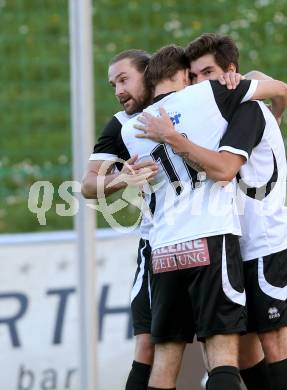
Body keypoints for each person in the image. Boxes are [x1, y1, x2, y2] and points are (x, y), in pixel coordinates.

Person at [135, 33, 287, 390]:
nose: (199, 83)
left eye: (208, 73)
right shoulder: (211, 114)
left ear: (231, 73)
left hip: (267, 245)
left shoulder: (246, 108)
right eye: (194, 76)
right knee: (242, 354)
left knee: (274, 345)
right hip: (231, 246)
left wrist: (172, 138)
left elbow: (225, 170)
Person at [81, 49, 158, 390]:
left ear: (150, 74)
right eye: (113, 84)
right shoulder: (121, 124)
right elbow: (88, 185)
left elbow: (254, 80)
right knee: (148, 344)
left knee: (231, 348)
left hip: (214, 237)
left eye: (124, 79)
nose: (118, 90)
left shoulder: (189, 104)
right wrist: (121, 180)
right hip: (156, 245)